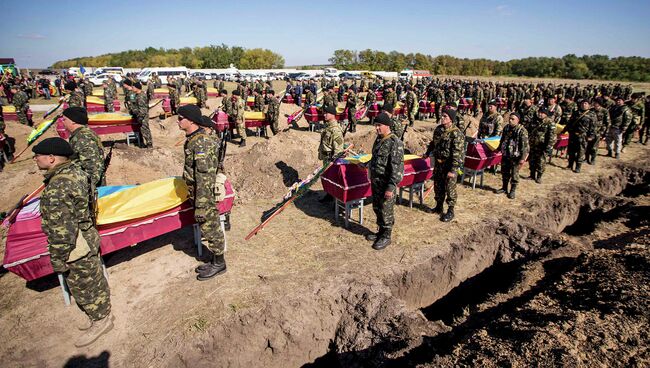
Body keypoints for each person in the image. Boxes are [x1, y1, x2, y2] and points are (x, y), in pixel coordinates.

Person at [32, 137, 113, 347]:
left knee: (83, 283)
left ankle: (101, 321)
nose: (35, 159)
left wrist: (58, 258)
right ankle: (103, 315)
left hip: (76, 243)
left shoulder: (59, 185)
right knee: (94, 278)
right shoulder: (77, 172)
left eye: (38, 156)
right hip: (86, 232)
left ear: (51, 158)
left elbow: (62, 229)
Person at [176, 105, 227, 281]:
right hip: (197, 193)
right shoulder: (194, 139)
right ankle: (214, 259)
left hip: (203, 195)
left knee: (211, 227)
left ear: (191, 120)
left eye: (180, 117)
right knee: (208, 226)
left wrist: (201, 205)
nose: (178, 120)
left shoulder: (201, 143)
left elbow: (204, 177)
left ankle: (220, 263)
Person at [365, 112, 404, 250]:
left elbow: (397, 168)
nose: (376, 128)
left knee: (386, 210)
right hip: (376, 182)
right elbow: (376, 158)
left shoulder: (395, 143)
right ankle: (380, 231)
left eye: (379, 125)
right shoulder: (378, 139)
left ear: (387, 125)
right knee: (377, 207)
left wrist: (391, 187)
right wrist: (367, 164)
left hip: (386, 183)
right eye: (375, 125)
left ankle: (386, 236)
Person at [425, 109, 463, 221]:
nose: (442, 118)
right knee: (438, 186)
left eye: (445, 116)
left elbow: (457, 154)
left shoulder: (456, 134)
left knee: (450, 188)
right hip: (438, 163)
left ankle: (450, 211)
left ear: (451, 119)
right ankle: (438, 207)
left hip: (449, 165)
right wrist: (427, 153)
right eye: (442, 116)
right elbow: (433, 143)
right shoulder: (438, 130)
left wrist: (453, 170)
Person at [62, 107, 106, 187]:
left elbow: (92, 170)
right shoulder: (81, 134)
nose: (63, 122)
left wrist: (79, 189)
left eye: (64, 119)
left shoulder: (83, 138)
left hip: (89, 190)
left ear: (73, 121)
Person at [496, 112, 529, 199]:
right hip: (506, 154)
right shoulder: (506, 128)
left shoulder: (522, 131)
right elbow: (502, 139)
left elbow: (525, 146)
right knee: (504, 172)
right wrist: (498, 148)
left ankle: (512, 191)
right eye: (510, 118)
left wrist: (522, 158)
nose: (510, 120)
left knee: (514, 174)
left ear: (518, 120)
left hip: (516, 157)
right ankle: (504, 188)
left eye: (513, 119)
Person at [318, 105, 344, 202]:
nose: (324, 115)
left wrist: (334, 162)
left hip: (331, 159)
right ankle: (329, 195)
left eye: (326, 113)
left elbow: (338, 149)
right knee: (327, 178)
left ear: (332, 115)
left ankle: (335, 200)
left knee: (333, 179)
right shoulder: (328, 126)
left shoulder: (335, 129)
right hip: (326, 157)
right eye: (324, 113)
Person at [562, 99, 596, 173]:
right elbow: (570, 123)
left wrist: (591, 136)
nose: (584, 105)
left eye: (586, 103)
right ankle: (570, 165)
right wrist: (564, 130)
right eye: (582, 103)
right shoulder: (576, 113)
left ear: (589, 105)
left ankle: (578, 167)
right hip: (573, 135)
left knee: (581, 152)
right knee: (571, 151)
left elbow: (593, 127)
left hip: (583, 136)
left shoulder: (592, 115)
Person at [527, 107, 555, 183]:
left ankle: (539, 176)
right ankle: (532, 175)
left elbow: (551, 136)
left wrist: (548, 147)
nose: (540, 114)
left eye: (542, 113)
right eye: (539, 112)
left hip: (542, 146)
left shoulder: (550, 123)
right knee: (532, 160)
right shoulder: (533, 120)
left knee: (541, 161)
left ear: (546, 114)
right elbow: (528, 131)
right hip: (533, 144)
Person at [131, 82, 153, 148]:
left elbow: (143, 108)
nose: (132, 88)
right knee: (143, 130)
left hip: (142, 116)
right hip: (140, 115)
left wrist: (140, 117)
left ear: (137, 88)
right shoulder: (138, 95)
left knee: (145, 130)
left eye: (133, 87)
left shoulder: (141, 96)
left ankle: (149, 144)